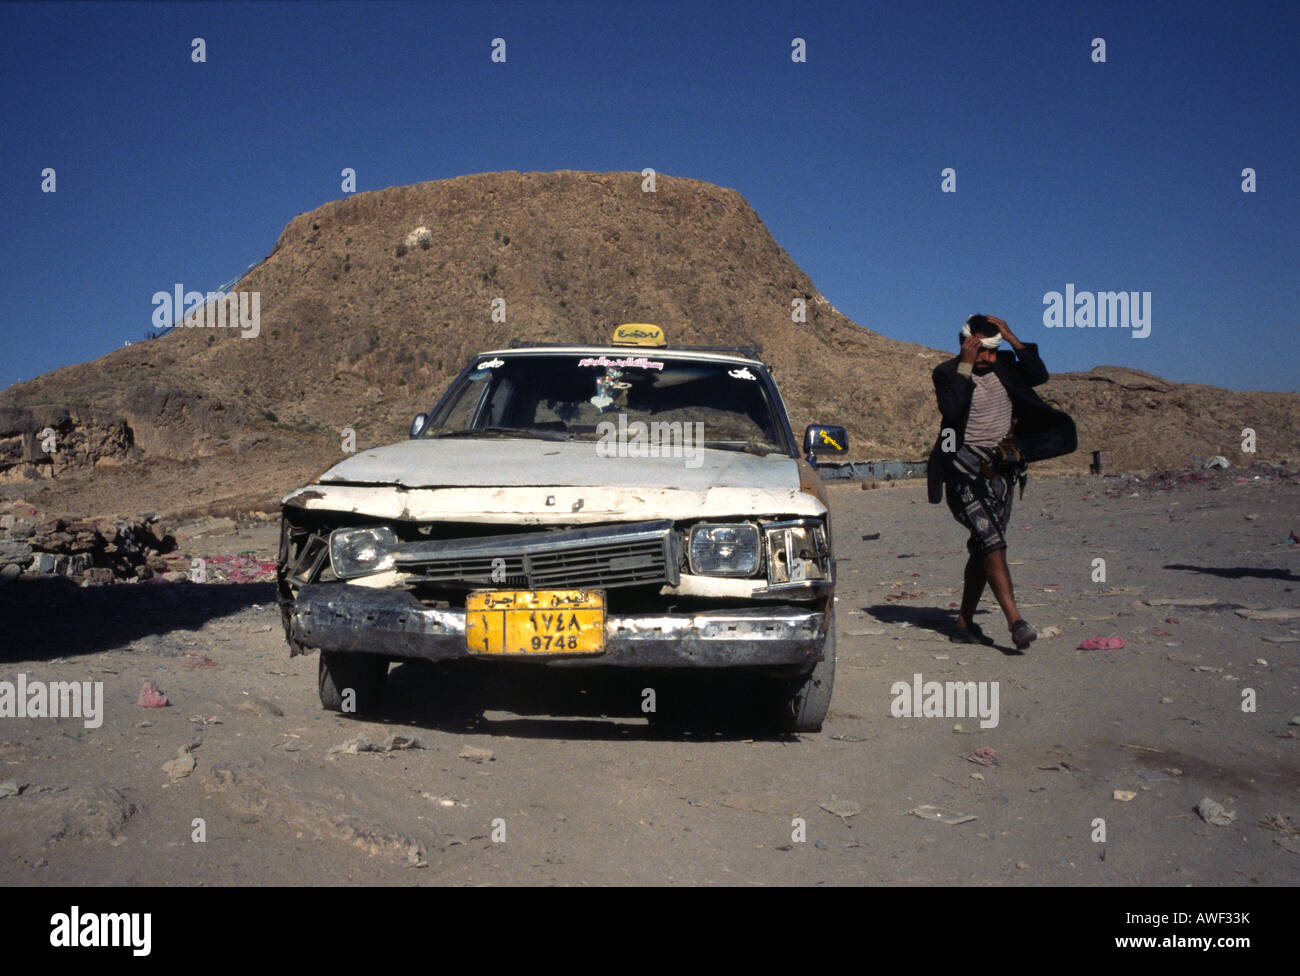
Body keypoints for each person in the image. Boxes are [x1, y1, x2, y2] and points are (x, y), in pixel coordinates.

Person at [926, 314, 1076, 651]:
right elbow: (952, 410)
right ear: (966, 344)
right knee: (992, 540)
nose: (988, 358)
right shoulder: (948, 373)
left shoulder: (1006, 365)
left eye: (992, 351)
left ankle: (963, 623)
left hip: (1003, 467)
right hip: (962, 468)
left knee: (984, 547)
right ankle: (1015, 620)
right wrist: (965, 365)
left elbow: (1040, 374)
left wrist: (1011, 336)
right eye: (981, 351)